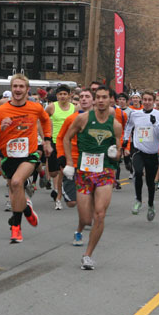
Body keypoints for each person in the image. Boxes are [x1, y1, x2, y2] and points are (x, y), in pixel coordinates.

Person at [0, 75, 52, 243]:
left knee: (16, 182)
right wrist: (1, 127)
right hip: (8, 157)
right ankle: (27, 211)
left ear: (27, 90)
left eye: (21, 86)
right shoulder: (1, 110)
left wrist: (47, 140)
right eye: (15, 86)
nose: (18, 89)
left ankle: (16, 228)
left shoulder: (35, 108)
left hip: (30, 155)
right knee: (15, 190)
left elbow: (45, 120)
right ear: (11, 89)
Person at [62, 87, 122, 270]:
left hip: (105, 172)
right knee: (87, 218)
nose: (102, 100)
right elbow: (66, 138)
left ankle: (88, 254)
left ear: (110, 100)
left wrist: (115, 153)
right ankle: (81, 227)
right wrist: (70, 163)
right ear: (94, 100)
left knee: (100, 214)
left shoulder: (115, 125)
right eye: (99, 97)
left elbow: (119, 152)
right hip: (84, 172)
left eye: (105, 97)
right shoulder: (83, 119)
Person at [56, 89, 94, 246]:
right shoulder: (72, 119)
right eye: (81, 97)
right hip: (74, 162)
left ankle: (79, 232)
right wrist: (62, 157)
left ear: (93, 100)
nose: (84, 100)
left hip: (93, 164)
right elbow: (61, 138)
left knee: (90, 204)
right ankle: (82, 207)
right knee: (72, 203)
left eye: (87, 97)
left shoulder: (100, 119)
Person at [123, 91, 159, 221]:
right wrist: (125, 139)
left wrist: (155, 124)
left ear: (153, 101)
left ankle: (151, 204)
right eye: (145, 99)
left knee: (150, 181)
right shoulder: (135, 114)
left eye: (150, 100)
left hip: (152, 152)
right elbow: (128, 126)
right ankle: (138, 200)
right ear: (142, 100)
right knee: (137, 172)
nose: (147, 102)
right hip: (138, 150)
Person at [45, 85, 75, 210]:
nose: (62, 96)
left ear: (69, 95)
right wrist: (45, 136)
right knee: (53, 173)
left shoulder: (74, 108)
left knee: (63, 170)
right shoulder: (52, 107)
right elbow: (42, 119)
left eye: (65, 94)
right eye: (60, 94)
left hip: (67, 143)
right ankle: (56, 187)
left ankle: (58, 198)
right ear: (57, 96)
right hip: (54, 141)